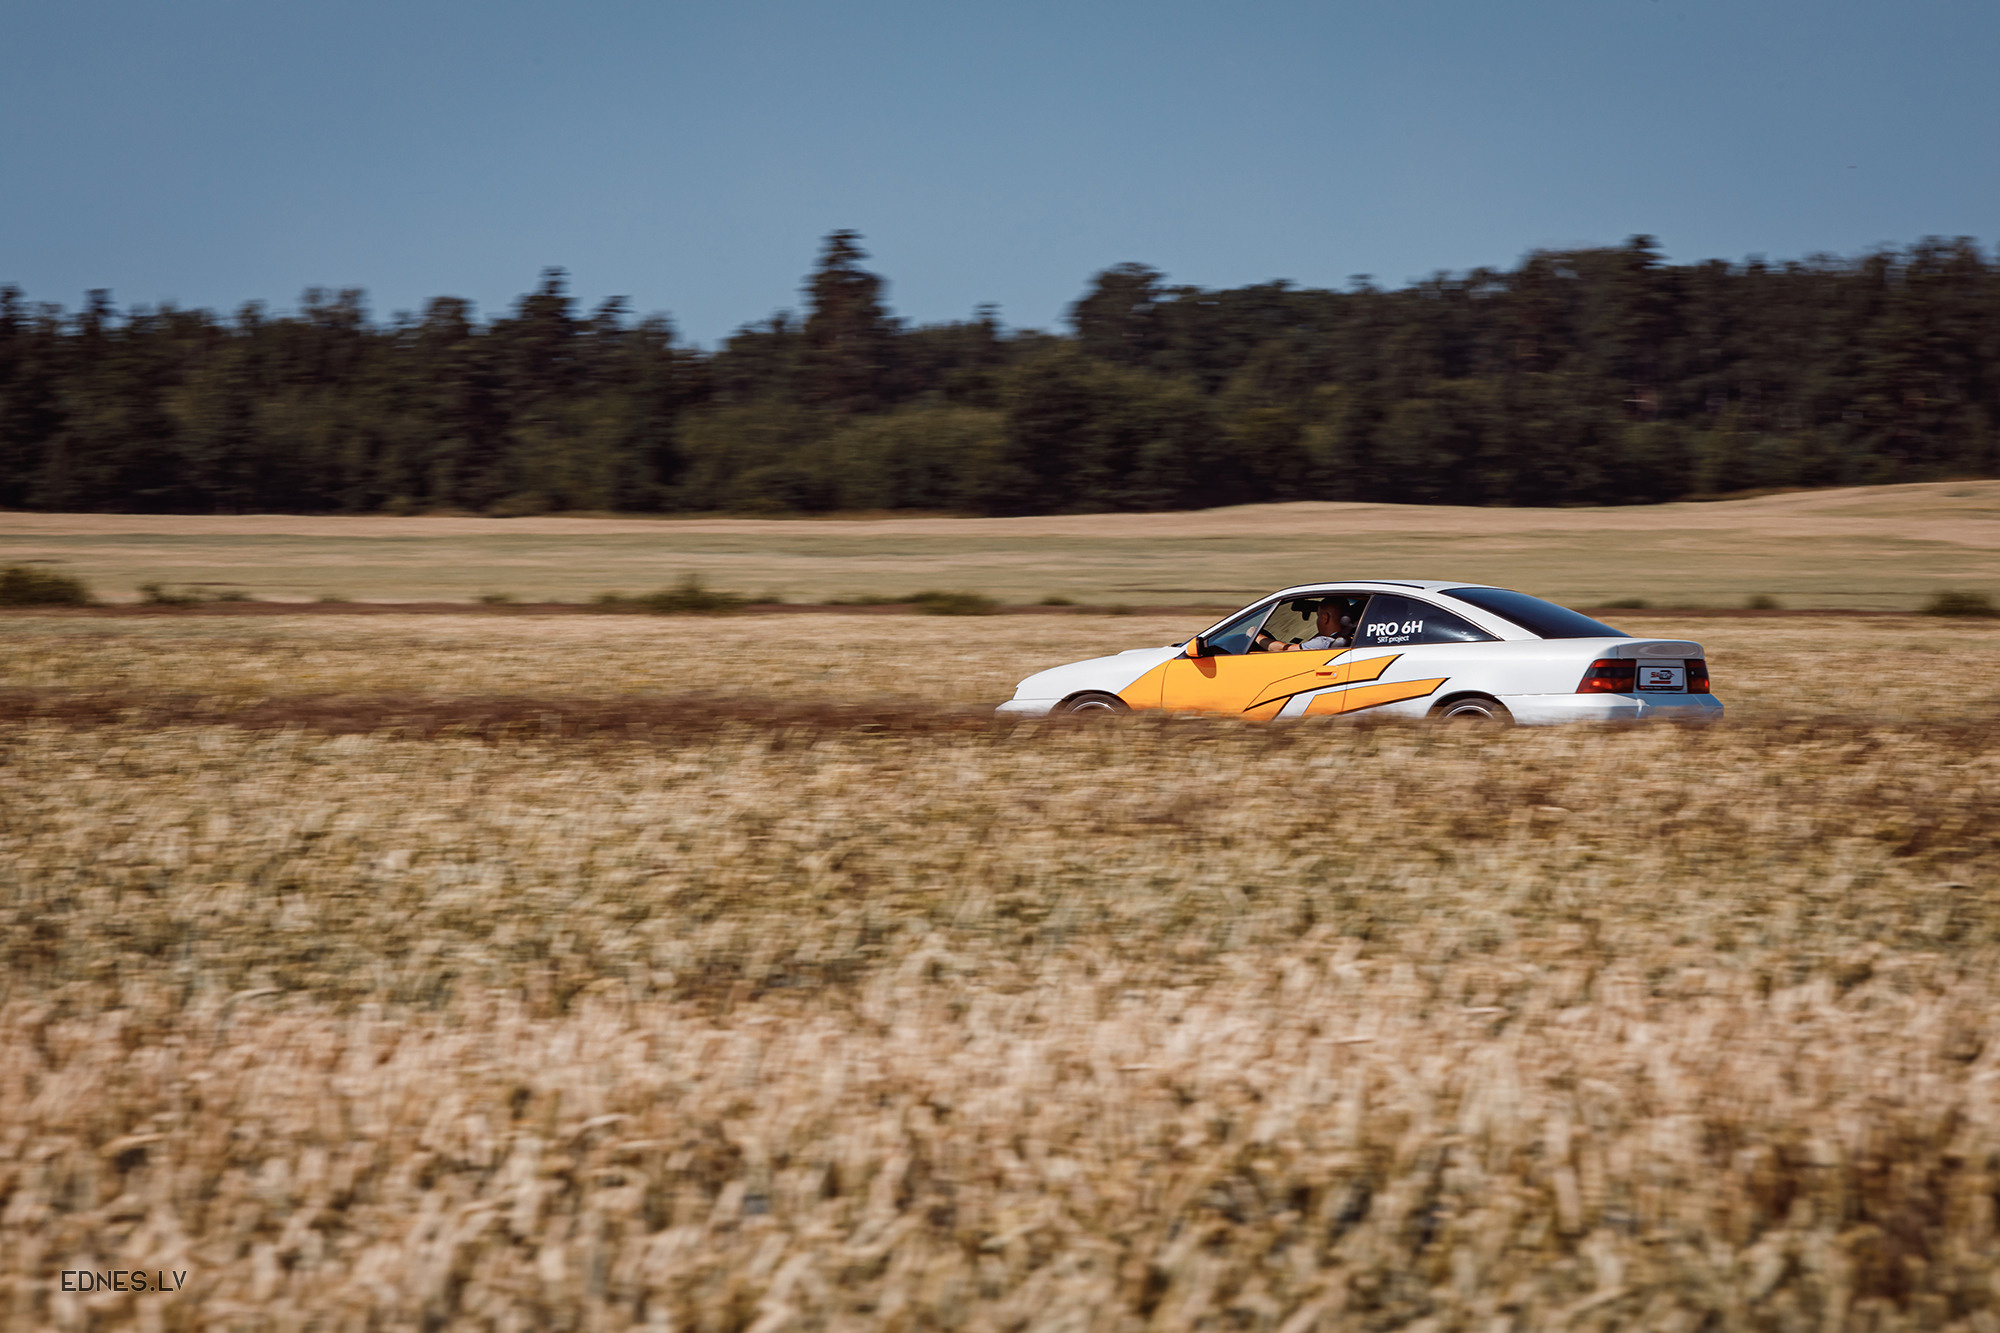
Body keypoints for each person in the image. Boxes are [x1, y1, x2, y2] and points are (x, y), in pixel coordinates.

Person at [1255, 598, 1351, 652]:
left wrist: (1255, 636)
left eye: (1318, 615)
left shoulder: (1323, 642)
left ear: (1325, 618)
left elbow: (1283, 650)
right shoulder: (1348, 637)